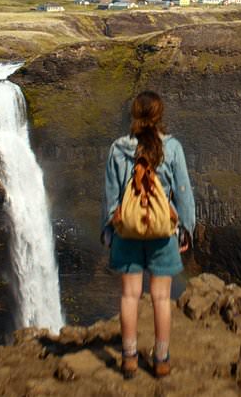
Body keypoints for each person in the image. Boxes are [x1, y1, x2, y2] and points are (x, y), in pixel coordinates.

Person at [102, 90, 195, 378]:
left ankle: (129, 357)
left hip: (127, 233)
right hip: (161, 233)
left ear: (134, 114)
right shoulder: (173, 148)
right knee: (161, 297)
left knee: (130, 296)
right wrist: (186, 230)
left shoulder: (118, 148)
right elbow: (183, 192)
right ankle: (162, 359)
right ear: (159, 115)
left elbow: (111, 196)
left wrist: (109, 230)